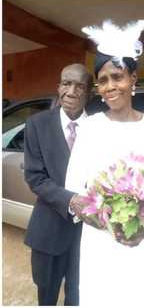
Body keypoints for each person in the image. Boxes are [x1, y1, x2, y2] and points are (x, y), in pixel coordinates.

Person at [65, 20, 144, 306]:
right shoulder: (90, 128)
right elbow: (73, 189)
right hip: (101, 243)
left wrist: (139, 226)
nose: (110, 87)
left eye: (117, 77)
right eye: (102, 81)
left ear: (133, 79)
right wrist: (111, 225)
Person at [23, 64, 93, 305]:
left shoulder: (100, 127)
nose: (71, 91)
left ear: (90, 93)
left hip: (90, 234)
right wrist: (70, 200)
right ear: (58, 87)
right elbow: (35, 177)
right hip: (49, 230)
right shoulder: (37, 124)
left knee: (78, 297)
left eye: (80, 86)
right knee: (47, 297)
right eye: (66, 83)